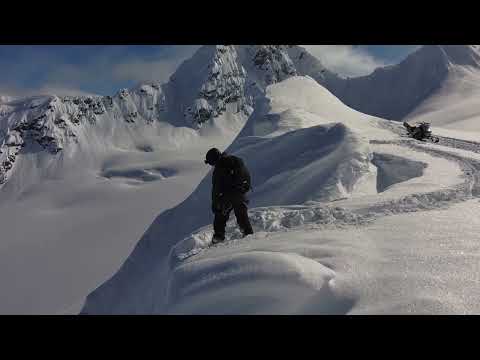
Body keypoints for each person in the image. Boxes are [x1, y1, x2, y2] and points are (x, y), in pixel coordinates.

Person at [204, 148, 254, 244]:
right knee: (242, 216)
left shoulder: (220, 167)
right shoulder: (236, 160)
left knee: (220, 217)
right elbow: (247, 175)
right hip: (241, 194)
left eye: (211, 163)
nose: (212, 165)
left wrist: (215, 204)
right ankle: (249, 236)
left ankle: (218, 238)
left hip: (228, 197)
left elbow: (216, 189)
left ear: (214, 159)